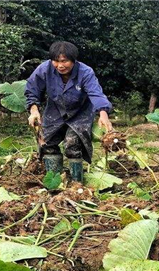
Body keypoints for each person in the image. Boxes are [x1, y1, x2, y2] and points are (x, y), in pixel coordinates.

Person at [25, 41, 113, 182]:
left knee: (72, 144)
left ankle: (77, 184)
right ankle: (55, 182)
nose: (60, 65)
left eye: (64, 61)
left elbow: (96, 93)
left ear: (73, 60)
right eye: (56, 61)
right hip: (55, 111)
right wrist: (34, 110)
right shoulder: (44, 69)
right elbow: (32, 90)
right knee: (47, 144)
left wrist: (103, 113)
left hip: (80, 113)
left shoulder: (85, 72)